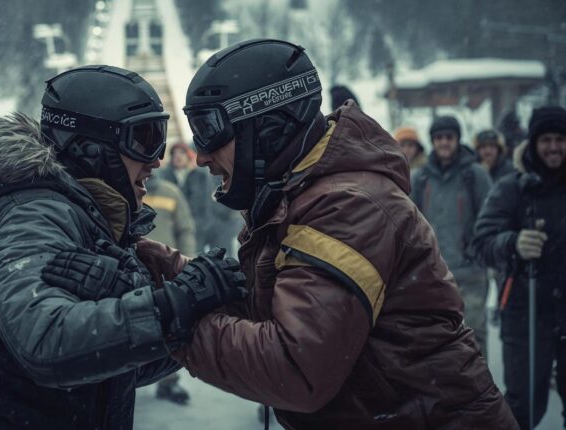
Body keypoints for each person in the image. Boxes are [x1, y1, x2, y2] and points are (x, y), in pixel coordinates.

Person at [174, 38, 516, 429]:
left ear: (268, 126)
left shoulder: (347, 208)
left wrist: (174, 322)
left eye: (209, 130)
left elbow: (296, 367)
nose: (201, 156)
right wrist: (163, 271)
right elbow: (277, 319)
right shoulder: (301, 197)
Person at [0, 65, 245, 429]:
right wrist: (175, 305)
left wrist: (198, 313)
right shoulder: (33, 214)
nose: (155, 160)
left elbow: (116, 372)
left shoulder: (88, 222)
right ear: (91, 149)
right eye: (143, 138)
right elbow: (45, 341)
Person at [473, 106, 566, 429]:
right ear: (534, 142)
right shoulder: (513, 188)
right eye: (547, 140)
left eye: (561, 139)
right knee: (523, 410)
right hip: (525, 315)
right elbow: (481, 243)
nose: (554, 147)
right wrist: (513, 243)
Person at [411, 115, 493, 356]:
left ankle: (479, 392)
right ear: (432, 141)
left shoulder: (475, 174)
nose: (444, 142)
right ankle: (449, 393)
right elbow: (410, 222)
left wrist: (475, 250)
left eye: (449, 137)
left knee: (474, 336)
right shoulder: (420, 178)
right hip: (433, 274)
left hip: (471, 273)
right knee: (438, 340)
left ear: (457, 139)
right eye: (438, 138)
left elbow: (489, 218)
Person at [142, 175, 195, 404]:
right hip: (135, 270)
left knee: (166, 326)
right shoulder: (124, 189)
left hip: (166, 272)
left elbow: (185, 229)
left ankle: (168, 382)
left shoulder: (171, 192)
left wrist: (188, 264)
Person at [158, 142, 211, 250]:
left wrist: (202, 226)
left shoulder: (200, 176)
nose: (178, 156)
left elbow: (206, 204)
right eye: (174, 154)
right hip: (173, 229)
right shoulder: (164, 177)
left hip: (197, 228)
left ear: (188, 155)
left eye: (181, 153)